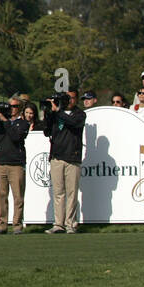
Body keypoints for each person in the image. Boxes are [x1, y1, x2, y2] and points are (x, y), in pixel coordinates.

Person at [45, 93, 86, 234]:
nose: (68, 101)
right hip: (57, 156)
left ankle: (70, 224)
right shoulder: (56, 113)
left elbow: (74, 123)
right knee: (58, 192)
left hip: (72, 157)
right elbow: (46, 131)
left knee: (72, 192)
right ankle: (58, 224)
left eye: (71, 98)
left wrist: (59, 112)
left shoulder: (79, 114)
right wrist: (49, 113)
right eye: (66, 98)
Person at [0, 102, 28, 234]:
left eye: (15, 106)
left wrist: (5, 121)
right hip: (0, 162)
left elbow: (16, 136)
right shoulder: (0, 123)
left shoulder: (22, 123)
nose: (12, 109)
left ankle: (17, 225)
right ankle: (2, 224)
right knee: (1, 195)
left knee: (18, 196)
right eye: (10, 106)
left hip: (16, 164)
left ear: (19, 108)